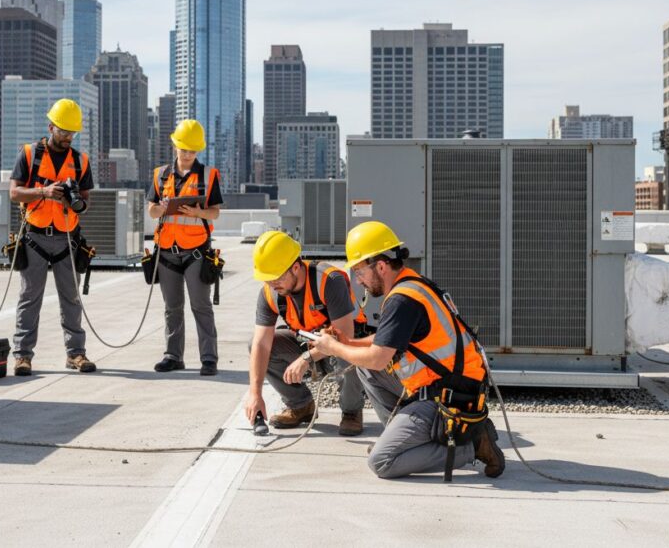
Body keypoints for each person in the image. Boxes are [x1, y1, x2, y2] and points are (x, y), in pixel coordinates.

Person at [311, 221, 505, 480]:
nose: (358, 281)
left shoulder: (402, 300)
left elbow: (378, 358)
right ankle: (406, 440)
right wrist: (348, 342)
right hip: (452, 385)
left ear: (380, 266)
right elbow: (386, 340)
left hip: (447, 396)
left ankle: (472, 446)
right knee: (364, 369)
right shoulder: (411, 284)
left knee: (382, 462)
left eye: (359, 271)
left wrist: (333, 348)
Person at [244, 231, 368, 435]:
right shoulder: (270, 292)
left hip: (344, 347)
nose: (272, 284)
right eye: (267, 279)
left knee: (346, 351)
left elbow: (345, 335)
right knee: (257, 346)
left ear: (295, 267)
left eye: (276, 277)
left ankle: (351, 411)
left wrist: (306, 358)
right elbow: (261, 344)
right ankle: (301, 406)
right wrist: (255, 393)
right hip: (311, 345)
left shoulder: (329, 280)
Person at [8, 98, 96, 376]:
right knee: (29, 298)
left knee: (71, 299)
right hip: (35, 237)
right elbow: (14, 193)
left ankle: (76, 354)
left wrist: (74, 202)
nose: (68, 137)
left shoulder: (80, 161)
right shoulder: (29, 154)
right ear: (51, 128)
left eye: (72, 133)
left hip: (67, 239)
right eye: (63, 131)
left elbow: (86, 202)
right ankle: (22, 356)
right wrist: (43, 192)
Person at [146, 119, 223, 376]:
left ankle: (209, 359)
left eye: (192, 150)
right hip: (167, 250)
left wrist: (199, 212)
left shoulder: (209, 175)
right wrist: (162, 208)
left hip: (195, 251)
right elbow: (151, 210)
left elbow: (215, 213)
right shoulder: (160, 175)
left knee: (201, 305)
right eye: (184, 149)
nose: (188, 154)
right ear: (175, 146)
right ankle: (173, 356)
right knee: (172, 307)